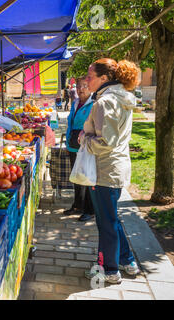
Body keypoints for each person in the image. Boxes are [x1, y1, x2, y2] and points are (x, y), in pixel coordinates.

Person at [80, 58, 141, 284]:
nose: (87, 80)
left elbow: (106, 141)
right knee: (111, 219)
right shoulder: (120, 98)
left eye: (90, 76)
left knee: (106, 222)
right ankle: (127, 260)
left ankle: (109, 270)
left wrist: (84, 138)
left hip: (104, 169)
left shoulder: (105, 102)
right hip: (115, 167)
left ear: (104, 78)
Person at [64, 76, 95, 222]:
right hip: (73, 144)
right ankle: (77, 205)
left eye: (84, 86)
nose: (80, 89)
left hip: (86, 145)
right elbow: (71, 121)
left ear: (90, 88)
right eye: (78, 86)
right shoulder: (75, 102)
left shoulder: (94, 104)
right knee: (76, 176)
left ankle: (89, 209)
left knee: (87, 177)